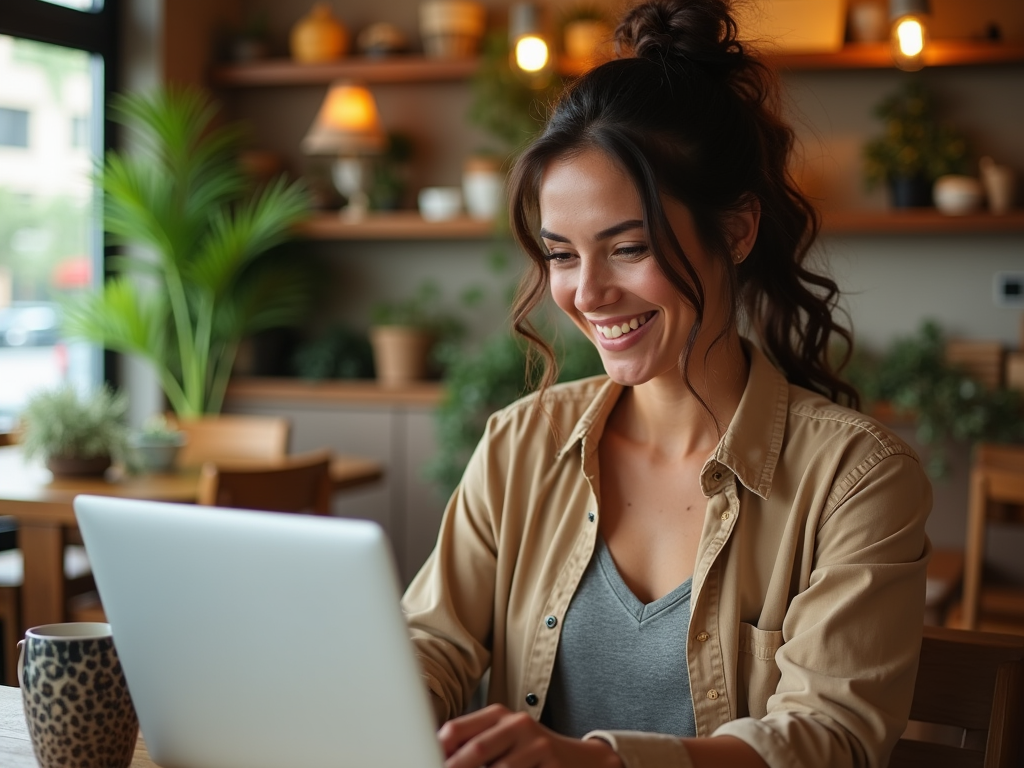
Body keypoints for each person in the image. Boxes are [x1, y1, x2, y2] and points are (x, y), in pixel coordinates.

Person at [401, 0, 932, 766]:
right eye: (561, 254)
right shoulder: (522, 442)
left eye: (628, 247)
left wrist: (601, 761)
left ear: (738, 230)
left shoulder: (857, 479)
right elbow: (431, 640)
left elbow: (828, 739)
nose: (587, 293)